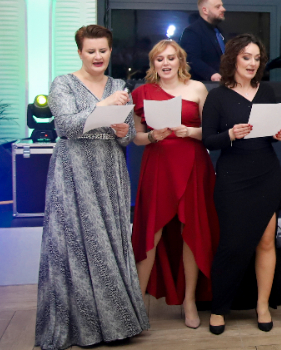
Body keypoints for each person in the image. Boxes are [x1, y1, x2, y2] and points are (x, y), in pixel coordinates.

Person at [36, 25, 148, 350]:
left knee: (110, 241)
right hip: (74, 170)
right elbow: (66, 126)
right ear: (80, 52)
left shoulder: (118, 85)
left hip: (110, 169)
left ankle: (118, 323)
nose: (97, 56)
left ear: (110, 51)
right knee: (75, 243)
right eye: (91, 51)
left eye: (103, 50)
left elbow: (128, 136)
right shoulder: (63, 83)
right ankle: (83, 327)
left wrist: (121, 130)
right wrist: (104, 106)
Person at [201, 34, 281, 334]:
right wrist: (230, 134)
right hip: (233, 177)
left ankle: (262, 306)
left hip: (267, 173)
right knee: (231, 244)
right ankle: (219, 308)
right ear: (233, 58)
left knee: (266, 242)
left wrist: (277, 134)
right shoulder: (217, 96)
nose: (252, 63)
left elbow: (269, 130)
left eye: (257, 58)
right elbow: (208, 139)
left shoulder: (267, 90)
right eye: (246, 57)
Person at [130, 40, 217, 329]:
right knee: (151, 232)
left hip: (193, 165)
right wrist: (151, 136)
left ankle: (190, 300)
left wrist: (189, 131)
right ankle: (137, 303)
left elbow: (212, 132)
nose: (165, 63)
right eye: (159, 59)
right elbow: (135, 137)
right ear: (153, 64)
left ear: (180, 60)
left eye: (170, 58)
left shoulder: (197, 89)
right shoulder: (141, 92)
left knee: (190, 232)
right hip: (158, 167)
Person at [178, 0, 226, 82]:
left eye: (222, 6)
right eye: (217, 7)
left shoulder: (218, 31)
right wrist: (212, 74)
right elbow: (191, 59)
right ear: (205, 10)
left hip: (221, 84)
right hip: (203, 84)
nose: (223, 9)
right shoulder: (192, 31)